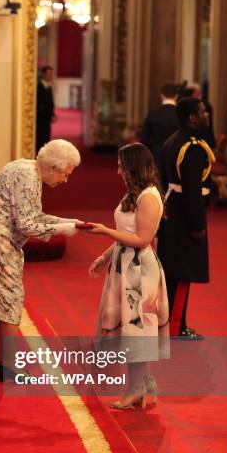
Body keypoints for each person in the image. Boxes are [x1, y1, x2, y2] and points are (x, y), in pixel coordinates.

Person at [0, 139, 82, 381]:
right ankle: (11, 367)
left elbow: (34, 216)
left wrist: (67, 222)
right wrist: (63, 229)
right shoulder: (28, 178)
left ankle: (0, 362)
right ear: (54, 167)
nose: (65, 180)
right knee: (10, 299)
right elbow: (27, 225)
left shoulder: (25, 167)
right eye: (65, 174)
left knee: (0, 300)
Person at [88, 143, 169, 409]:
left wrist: (105, 232)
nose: (118, 170)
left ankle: (136, 388)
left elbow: (142, 239)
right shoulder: (133, 194)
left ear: (133, 166)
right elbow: (126, 232)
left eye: (122, 164)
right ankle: (145, 384)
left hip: (139, 270)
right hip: (124, 266)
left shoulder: (149, 196)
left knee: (137, 331)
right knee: (130, 329)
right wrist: (104, 257)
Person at [158, 96, 215, 340]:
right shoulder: (192, 147)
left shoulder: (174, 140)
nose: (207, 115)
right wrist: (198, 225)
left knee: (172, 271)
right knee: (183, 273)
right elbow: (192, 190)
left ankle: (173, 323)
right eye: (203, 111)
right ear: (192, 117)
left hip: (173, 209)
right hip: (185, 214)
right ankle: (175, 327)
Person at [140, 83, 179, 178]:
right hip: (177, 157)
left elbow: (144, 139)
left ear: (161, 95)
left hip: (157, 156)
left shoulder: (153, 114)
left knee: (159, 187)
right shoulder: (182, 115)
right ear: (176, 96)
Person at [36, 65, 56, 153]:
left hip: (47, 118)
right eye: (49, 74)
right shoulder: (38, 87)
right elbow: (39, 104)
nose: (51, 76)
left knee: (46, 138)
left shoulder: (49, 86)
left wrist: (53, 114)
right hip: (40, 118)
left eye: (52, 74)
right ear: (43, 75)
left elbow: (49, 103)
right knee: (40, 138)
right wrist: (49, 115)